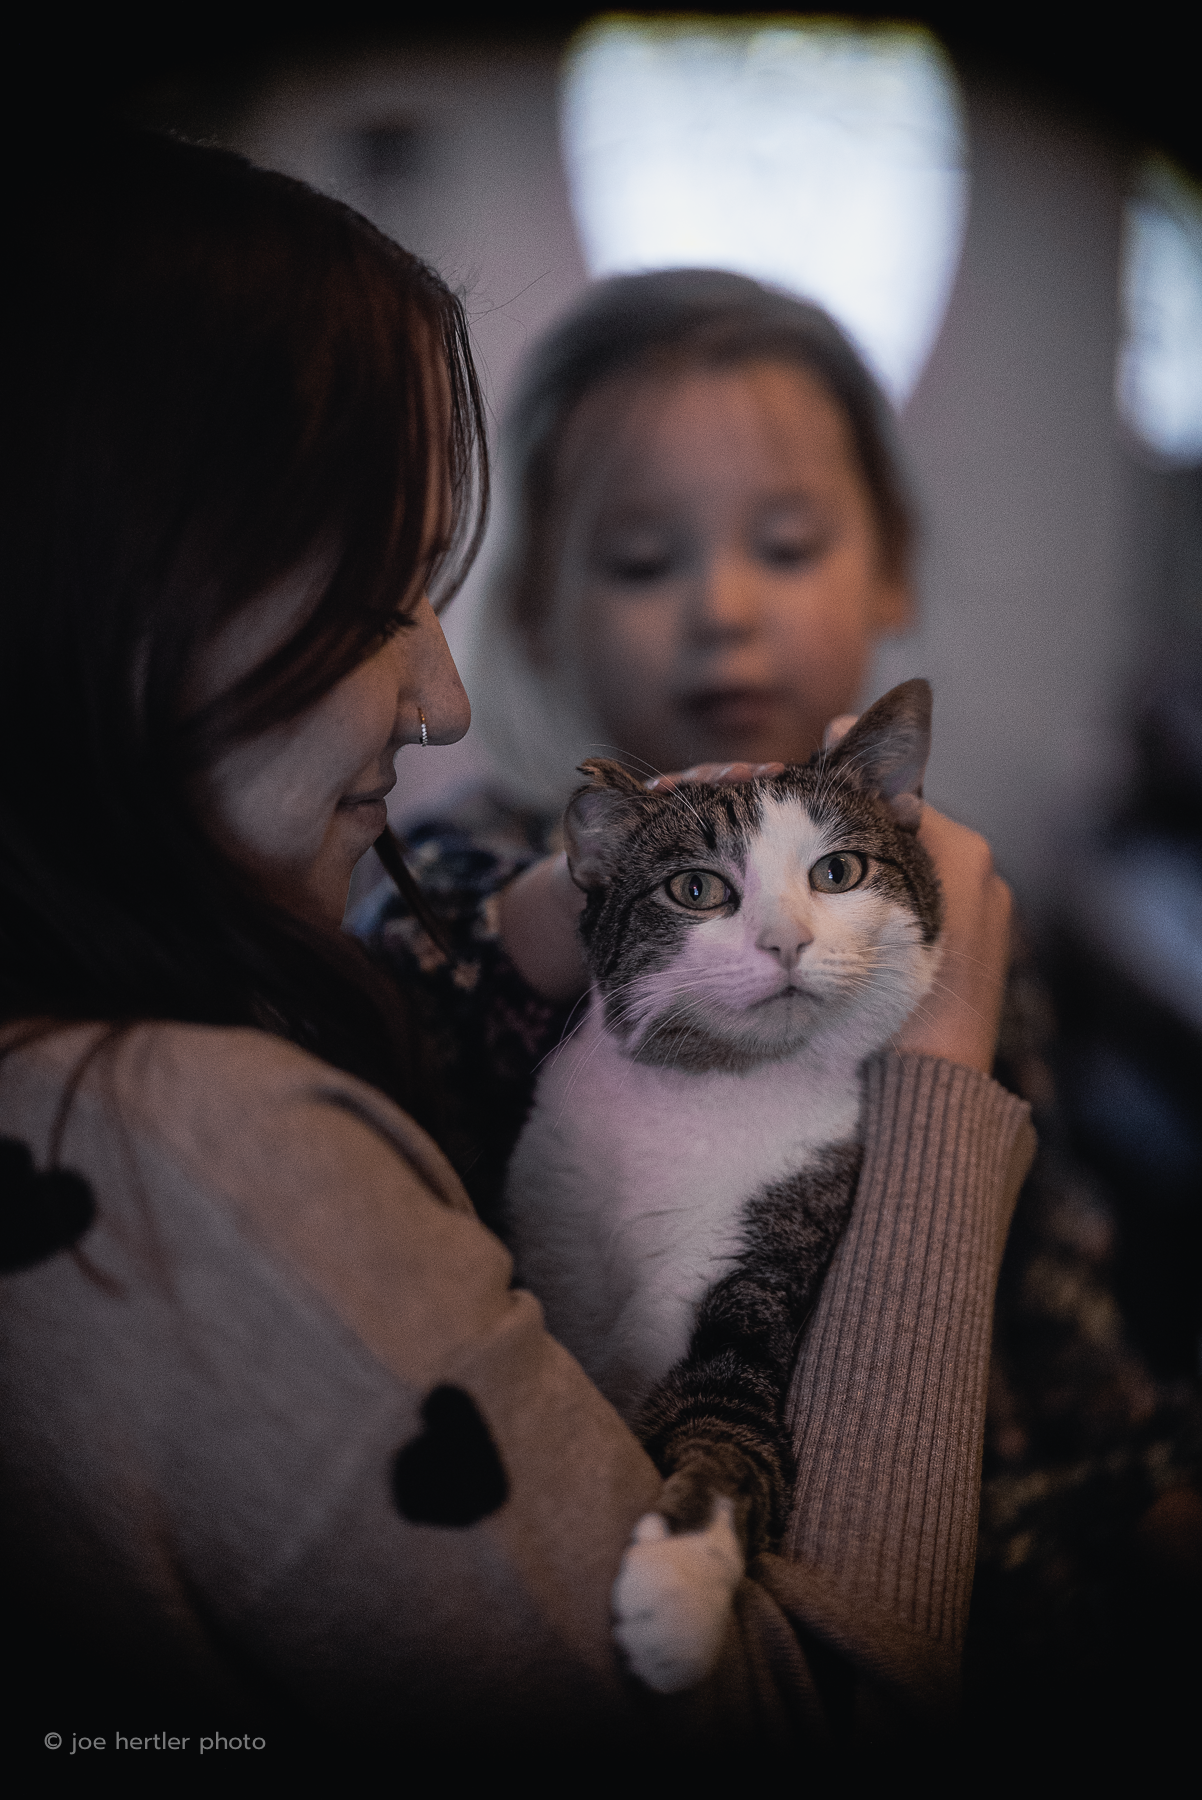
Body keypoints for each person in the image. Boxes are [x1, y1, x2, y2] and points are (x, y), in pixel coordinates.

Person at [1, 140, 1030, 1759]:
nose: (441, 701)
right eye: (376, 599)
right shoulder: (196, 1146)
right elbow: (814, 1730)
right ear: (111, 578)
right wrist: (943, 1066)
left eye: (789, 542)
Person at [360, 269, 1200, 1754]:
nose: (725, 612)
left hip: (1018, 1567)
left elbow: (1063, 1320)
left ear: (886, 572)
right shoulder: (464, 870)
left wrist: (1148, 1489)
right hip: (702, 1592)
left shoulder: (947, 916)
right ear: (544, 606)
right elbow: (399, 998)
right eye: (639, 559)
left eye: (789, 544)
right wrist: (574, 905)